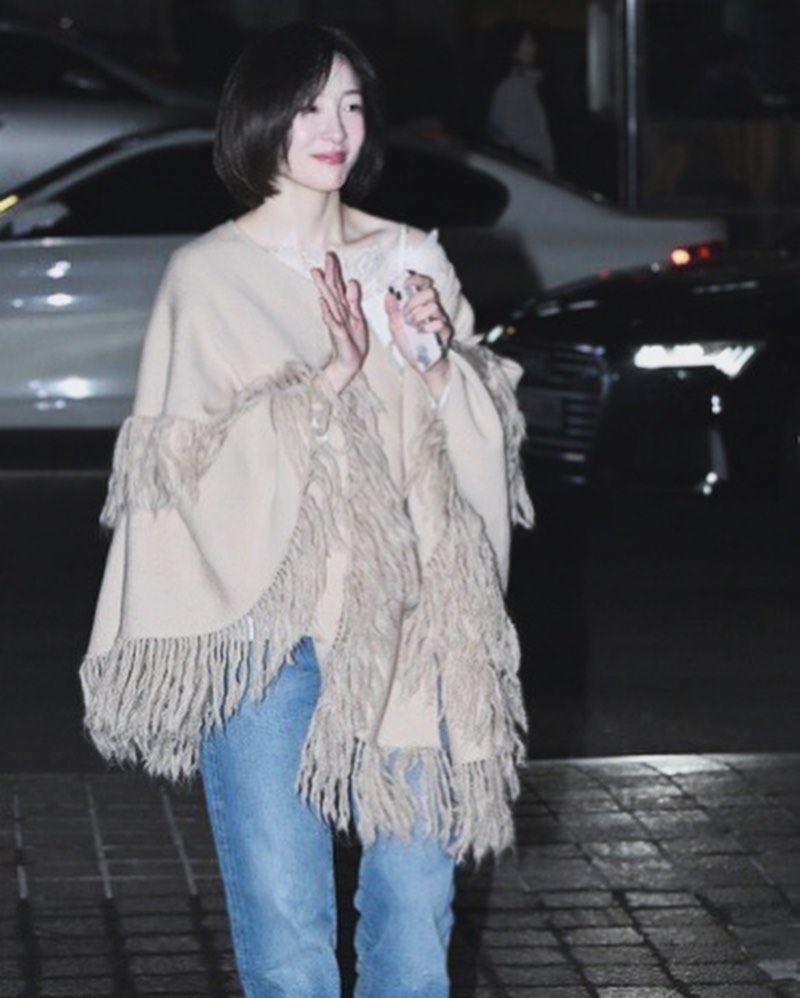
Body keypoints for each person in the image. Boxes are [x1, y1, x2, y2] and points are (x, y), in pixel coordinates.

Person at [80, 21, 533, 998]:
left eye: (350, 105)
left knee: (414, 912)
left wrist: (435, 366)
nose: (333, 128)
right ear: (260, 119)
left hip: (406, 623)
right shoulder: (206, 277)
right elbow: (179, 480)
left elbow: (483, 441)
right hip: (266, 631)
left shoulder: (409, 255)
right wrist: (327, 380)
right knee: (286, 931)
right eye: (308, 106)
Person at [485, 20, 556, 172]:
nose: (533, 47)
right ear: (514, 49)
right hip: (529, 171)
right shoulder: (513, 88)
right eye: (527, 42)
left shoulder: (522, 86)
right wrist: (542, 160)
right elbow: (518, 137)